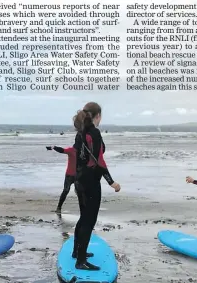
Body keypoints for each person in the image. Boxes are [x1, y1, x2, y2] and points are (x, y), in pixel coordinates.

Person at [71, 102, 121, 270]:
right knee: (89, 221)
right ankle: (81, 261)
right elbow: (99, 160)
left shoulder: (80, 133)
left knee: (83, 217)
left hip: (79, 181)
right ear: (97, 116)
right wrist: (111, 181)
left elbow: (75, 156)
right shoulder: (94, 132)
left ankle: (76, 252)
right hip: (91, 182)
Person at [47, 145, 76, 213]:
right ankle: (59, 208)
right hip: (70, 175)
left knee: (67, 191)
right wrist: (54, 147)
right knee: (66, 191)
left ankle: (58, 208)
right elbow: (62, 150)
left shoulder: (82, 152)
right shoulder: (72, 150)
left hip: (78, 175)